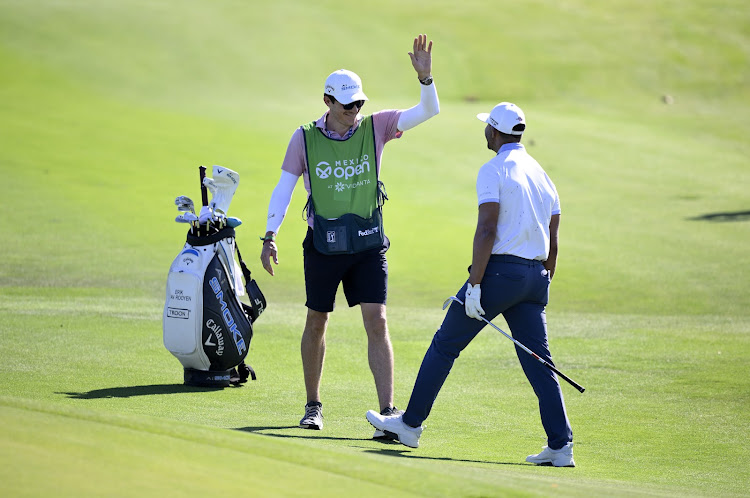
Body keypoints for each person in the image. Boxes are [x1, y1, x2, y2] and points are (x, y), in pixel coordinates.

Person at [366, 102, 576, 467]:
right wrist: (543, 283)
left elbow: (487, 229)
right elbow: (554, 240)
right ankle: (561, 445)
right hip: (535, 278)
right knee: (539, 362)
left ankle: (410, 425)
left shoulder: (493, 170)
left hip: (499, 274)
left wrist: (475, 284)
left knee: (445, 345)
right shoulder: (543, 174)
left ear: (493, 132)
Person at [260, 34, 440, 437]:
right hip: (323, 245)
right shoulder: (303, 137)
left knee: (377, 321)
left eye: (360, 102)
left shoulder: (376, 127)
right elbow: (284, 187)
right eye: (348, 105)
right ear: (327, 101)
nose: (356, 111)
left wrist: (426, 80)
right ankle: (313, 405)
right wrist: (269, 234)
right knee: (317, 321)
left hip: (367, 243)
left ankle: (389, 414)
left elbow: (428, 112)